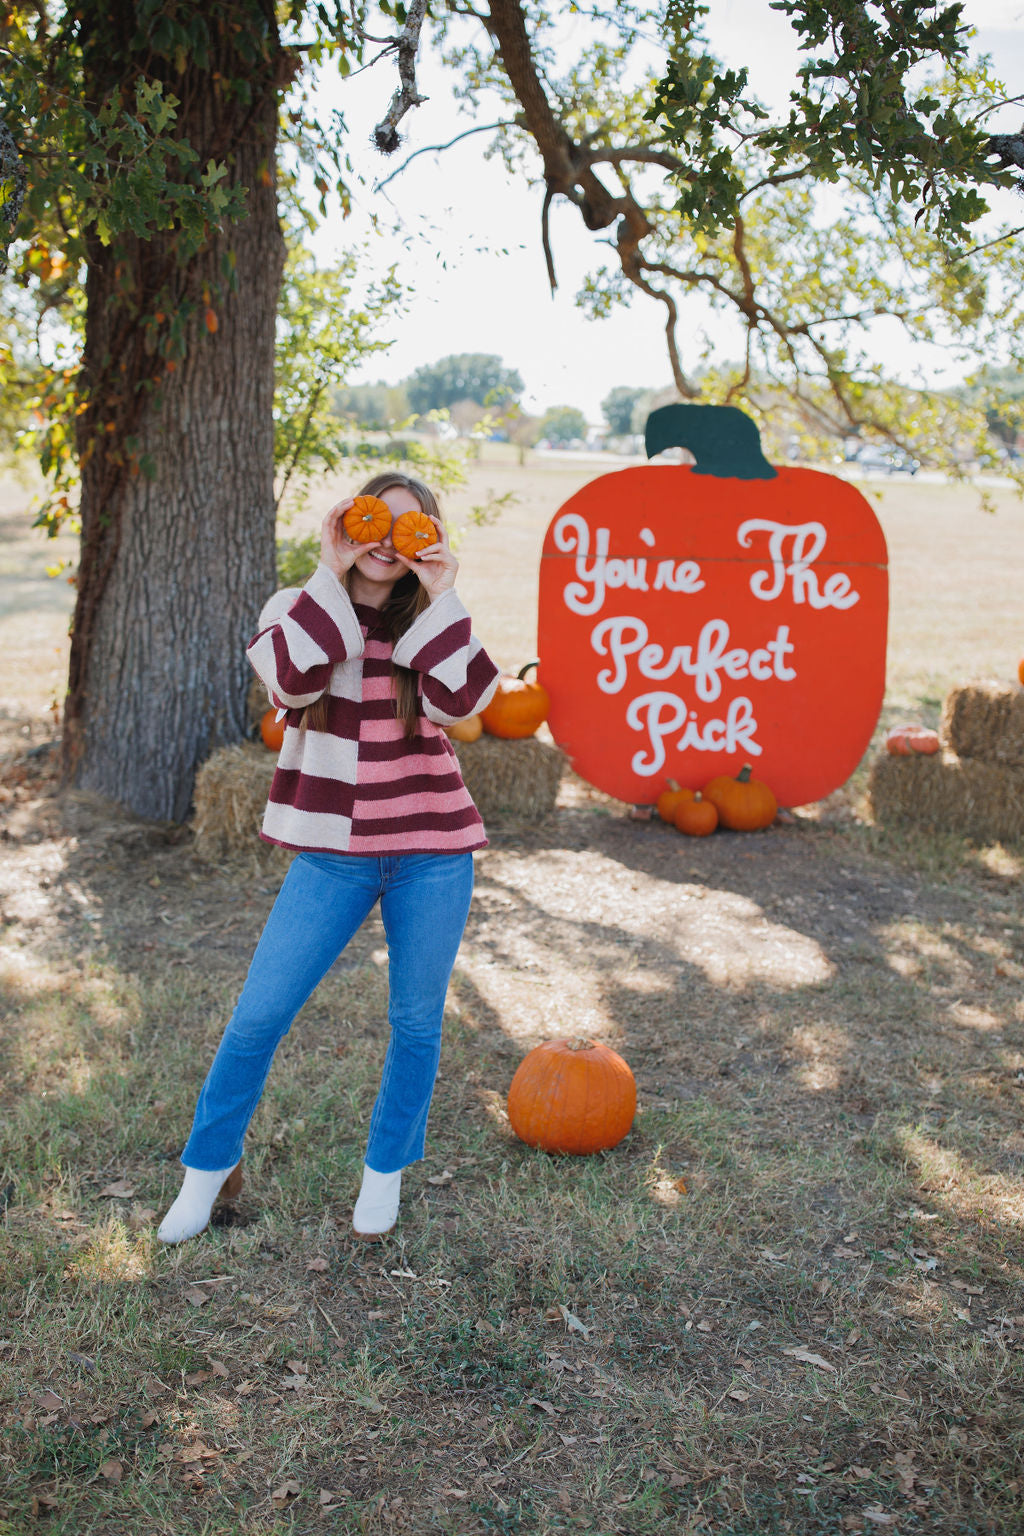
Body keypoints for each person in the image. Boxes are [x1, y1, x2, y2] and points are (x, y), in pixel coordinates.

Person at [158, 473, 500, 1244]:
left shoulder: (433, 621)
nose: (387, 540)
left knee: (415, 1022)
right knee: (258, 1017)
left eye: (410, 529)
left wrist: (441, 593)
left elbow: (468, 700)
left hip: (431, 850)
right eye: (373, 523)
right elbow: (288, 677)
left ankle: (385, 1172)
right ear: (346, 525)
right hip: (334, 855)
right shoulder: (297, 609)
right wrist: (328, 566)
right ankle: (205, 1171)